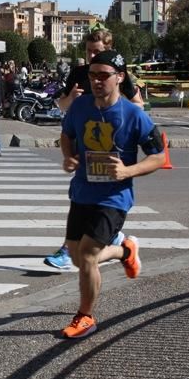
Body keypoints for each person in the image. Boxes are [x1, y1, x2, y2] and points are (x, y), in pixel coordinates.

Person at [59, 50, 165, 338]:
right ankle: (125, 250)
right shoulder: (80, 107)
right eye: (92, 75)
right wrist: (68, 157)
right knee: (75, 255)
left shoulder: (133, 115)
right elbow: (66, 134)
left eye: (103, 75)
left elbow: (159, 156)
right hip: (82, 191)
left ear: (120, 77)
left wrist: (127, 172)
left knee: (89, 255)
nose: (96, 81)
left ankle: (85, 317)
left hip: (114, 198)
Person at [45, 26, 144, 270]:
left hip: (109, 148)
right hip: (81, 144)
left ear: (108, 51)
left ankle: (81, 247)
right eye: (88, 51)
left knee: (100, 198)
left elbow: (138, 105)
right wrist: (72, 100)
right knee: (80, 197)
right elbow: (62, 104)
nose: (91, 56)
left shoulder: (118, 75)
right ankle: (90, 244)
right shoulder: (79, 73)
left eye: (96, 51)